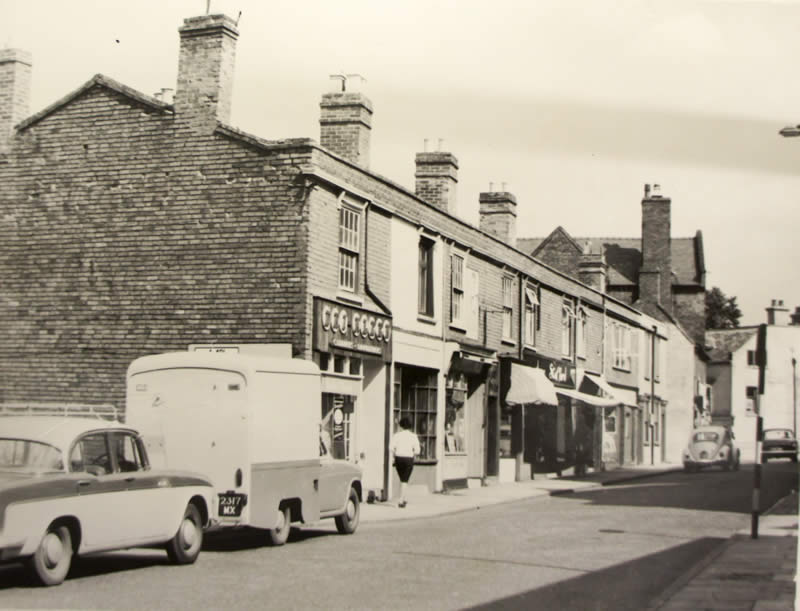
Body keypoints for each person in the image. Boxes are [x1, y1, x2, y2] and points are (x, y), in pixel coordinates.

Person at [390, 417, 420, 508]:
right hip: (408, 459)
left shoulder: (396, 435)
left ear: (401, 425)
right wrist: (413, 453)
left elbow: (391, 447)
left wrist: (394, 455)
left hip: (398, 458)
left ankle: (404, 497)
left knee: (402, 479)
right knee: (405, 480)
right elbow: (417, 451)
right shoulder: (413, 436)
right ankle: (401, 500)